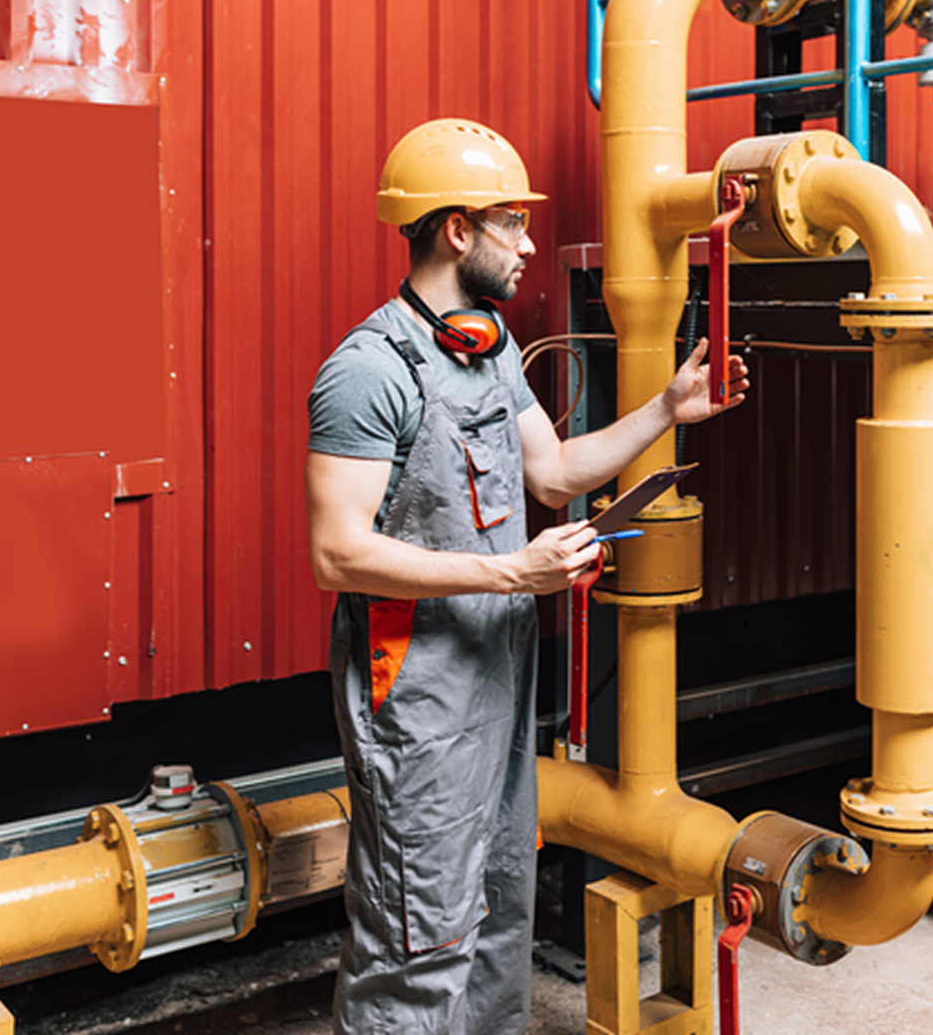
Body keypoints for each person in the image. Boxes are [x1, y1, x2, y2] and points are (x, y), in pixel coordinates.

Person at [304, 118, 748, 1035]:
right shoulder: (366, 373)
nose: (529, 244)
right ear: (456, 228)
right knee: (419, 940)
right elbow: (335, 552)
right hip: (418, 701)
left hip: (501, 685)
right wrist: (514, 571)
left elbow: (553, 474)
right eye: (513, 222)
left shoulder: (491, 347)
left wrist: (668, 409)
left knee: (502, 911)